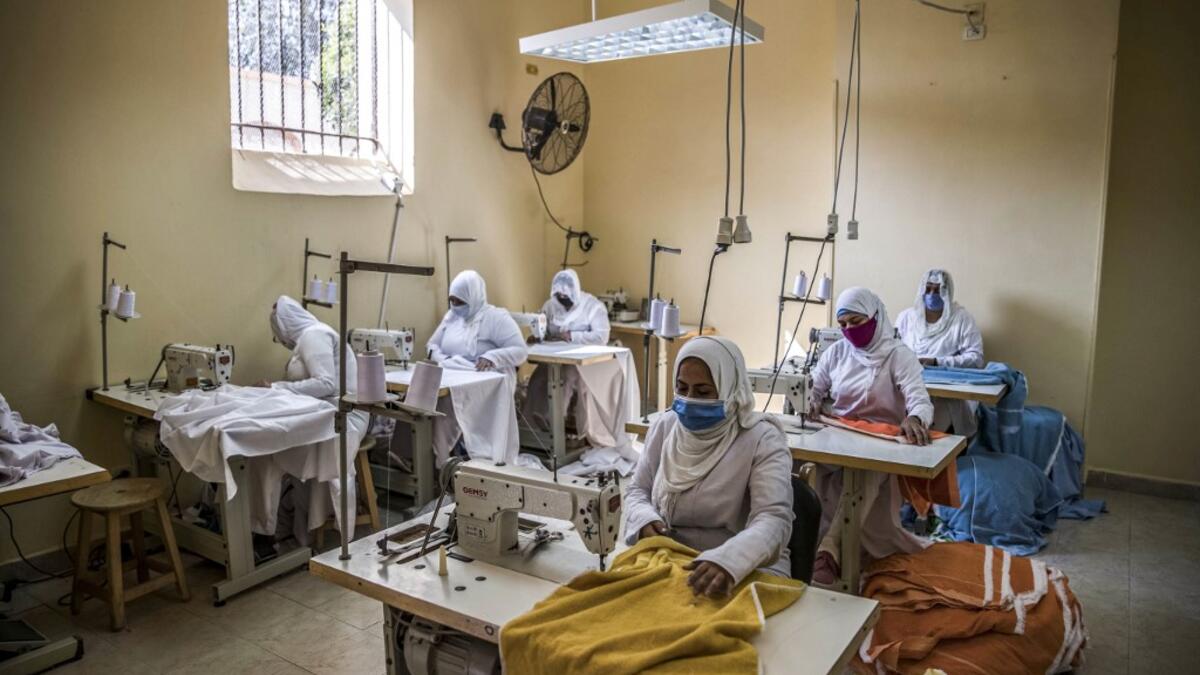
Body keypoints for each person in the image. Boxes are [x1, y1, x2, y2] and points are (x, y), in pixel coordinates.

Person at [624, 336, 794, 599]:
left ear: (730, 389)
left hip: (744, 567)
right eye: (681, 388)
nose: (689, 400)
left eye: (703, 392)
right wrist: (644, 520)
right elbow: (637, 490)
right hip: (671, 557)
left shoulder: (761, 438)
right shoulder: (666, 426)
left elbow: (773, 519)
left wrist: (730, 560)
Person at [807, 287, 933, 585]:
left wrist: (916, 417)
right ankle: (793, 542)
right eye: (843, 325)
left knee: (866, 472)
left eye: (856, 321)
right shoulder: (837, 352)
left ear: (876, 317)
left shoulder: (898, 355)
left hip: (878, 445)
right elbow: (814, 386)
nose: (849, 330)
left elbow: (920, 399)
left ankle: (828, 551)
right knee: (788, 462)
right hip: (837, 435)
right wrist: (810, 400)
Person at [257, 295, 369, 551]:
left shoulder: (313, 335)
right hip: (328, 413)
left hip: (345, 419)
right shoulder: (309, 338)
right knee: (281, 449)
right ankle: (290, 528)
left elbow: (326, 384)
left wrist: (274, 387)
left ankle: (275, 527)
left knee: (273, 451)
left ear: (284, 325)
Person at [426, 270, 527, 466]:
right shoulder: (452, 316)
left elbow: (520, 351)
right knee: (423, 397)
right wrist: (444, 358)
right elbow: (431, 346)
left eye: (460, 302)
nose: (455, 306)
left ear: (474, 297)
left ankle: (444, 460)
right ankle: (425, 458)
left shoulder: (496, 318)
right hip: (454, 373)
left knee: (445, 403)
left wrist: (492, 357)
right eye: (452, 301)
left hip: (485, 380)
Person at [895, 268, 984, 433]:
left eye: (937, 290)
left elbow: (976, 358)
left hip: (947, 394)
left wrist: (937, 361)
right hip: (909, 386)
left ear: (947, 292)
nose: (931, 294)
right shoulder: (906, 318)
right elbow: (894, 349)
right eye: (928, 289)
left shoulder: (962, 319)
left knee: (935, 434)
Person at [533, 269, 610, 345]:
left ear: (574, 292)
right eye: (559, 296)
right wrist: (536, 336)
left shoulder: (593, 306)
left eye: (565, 296)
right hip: (555, 353)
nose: (562, 298)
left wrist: (572, 336)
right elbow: (543, 331)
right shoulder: (550, 305)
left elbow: (601, 337)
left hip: (585, 355)